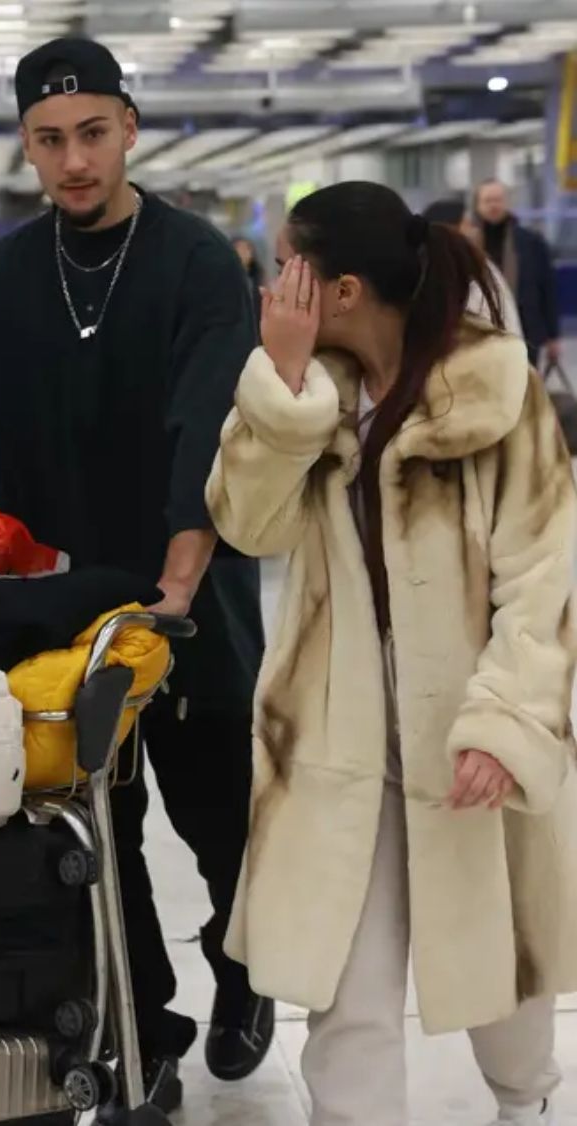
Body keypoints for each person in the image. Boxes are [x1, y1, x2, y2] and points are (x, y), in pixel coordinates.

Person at [0, 36, 271, 1114]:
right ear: (24, 148)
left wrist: (176, 583)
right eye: (48, 139)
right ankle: (147, 1028)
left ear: (127, 127)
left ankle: (242, 967)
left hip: (189, 596)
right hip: (60, 610)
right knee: (90, 834)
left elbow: (203, 429)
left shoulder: (192, 261)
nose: (72, 158)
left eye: (90, 133)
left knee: (218, 814)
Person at [207, 180, 577, 1126]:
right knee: (348, 983)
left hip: (467, 713)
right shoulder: (302, 390)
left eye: (290, 261)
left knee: (502, 956)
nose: (272, 280)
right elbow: (250, 529)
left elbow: (547, 573)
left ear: (342, 287)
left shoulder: (494, 392)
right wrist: (283, 392)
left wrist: (507, 721)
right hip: (342, 728)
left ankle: (526, 1104)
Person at [472, 180, 561, 370]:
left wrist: (553, 336)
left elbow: (548, 288)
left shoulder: (531, 242)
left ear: (507, 203)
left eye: (498, 200)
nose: (493, 205)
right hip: (478, 336)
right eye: (487, 201)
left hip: (526, 333)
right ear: (478, 206)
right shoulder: (467, 245)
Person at [421, 198, 521, 330]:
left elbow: (507, 321)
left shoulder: (483, 267)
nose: (476, 231)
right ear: (451, 231)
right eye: (468, 225)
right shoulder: (429, 277)